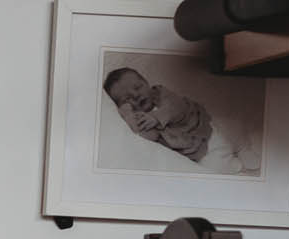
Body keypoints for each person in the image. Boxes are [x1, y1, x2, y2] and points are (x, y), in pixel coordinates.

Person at [102, 66, 255, 174]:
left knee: (229, 128)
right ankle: (236, 168)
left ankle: (242, 148)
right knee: (215, 166)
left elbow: (177, 107)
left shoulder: (161, 94)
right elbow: (144, 138)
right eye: (127, 98)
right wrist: (128, 116)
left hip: (200, 126)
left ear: (147, 83)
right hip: (194, 149)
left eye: (137, 87)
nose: (135, 95)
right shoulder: (138, 118)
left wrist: (156, 117)